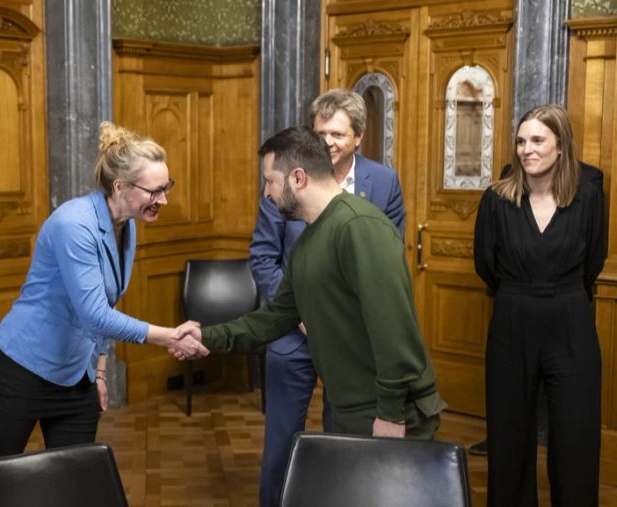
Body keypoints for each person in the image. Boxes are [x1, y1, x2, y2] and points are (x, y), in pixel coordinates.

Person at [171, 126, 445, 439]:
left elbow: (395, 330)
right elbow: (275, 318)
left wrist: (391, 413)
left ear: (298, 178)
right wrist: (206, 336)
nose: (267, 193)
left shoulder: (360, 227)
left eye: (270, 180)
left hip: (389, 413)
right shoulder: (306, 240)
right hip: (351, 408)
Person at [0, 122, 204, 460]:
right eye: (154, 191)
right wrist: (169, 337)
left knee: (76, 481)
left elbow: (105, 301)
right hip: (20, 370)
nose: (164, 200)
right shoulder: (75, 224)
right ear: (121, 185)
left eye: (166, 187)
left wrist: (97, 371)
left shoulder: (126, 224)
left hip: (75, 377)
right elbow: (95, 315)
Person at [248, 89, 406, 507]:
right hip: (291, 334)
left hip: (351, 341)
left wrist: (336, 318)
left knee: (345, 439)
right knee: (281, 440)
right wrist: (302, 312)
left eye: (338, 133)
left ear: (358, 137)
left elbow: (387, 262)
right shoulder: (284, 177)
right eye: (321, 132)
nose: (329, 141)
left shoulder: (384, 182)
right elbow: (263, 256)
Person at [474, 104, 606, 507]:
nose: (526, 151)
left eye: (537, 142)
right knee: (509, 444)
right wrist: (523, 294)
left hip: (571, 322)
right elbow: (485, 264)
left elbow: (593, 259)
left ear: (560, 145)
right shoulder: (497, 199)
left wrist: (557, 293)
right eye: (521, 141)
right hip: (512, 322)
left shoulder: (590, 193)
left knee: (575, 446)